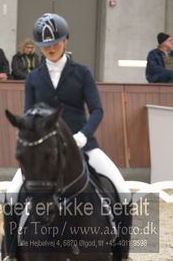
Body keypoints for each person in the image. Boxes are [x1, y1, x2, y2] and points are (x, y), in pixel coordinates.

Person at [7, 13, 131, 203]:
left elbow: (97, 110)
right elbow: (29, 115)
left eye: (55, 43)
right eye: (45, 45)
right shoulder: (33, 78)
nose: (51, 49)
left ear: (65, 40)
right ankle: (10, 234)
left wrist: (83, 136)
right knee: (11, 195)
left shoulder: (82, 72)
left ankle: (122, 234)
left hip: (83, 144)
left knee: (123, 192)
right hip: (45, 150)